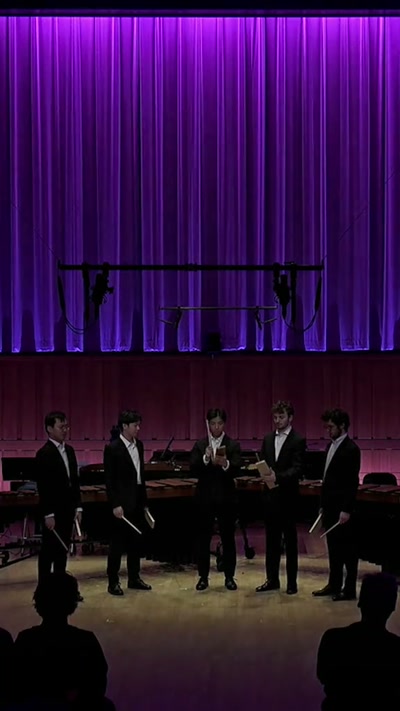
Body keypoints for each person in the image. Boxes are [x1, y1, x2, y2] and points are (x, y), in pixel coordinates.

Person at [12, 573, 113, 710]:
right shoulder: (86, 641)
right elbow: (98, 684)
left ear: (38, 601)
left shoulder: (25, 639)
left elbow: (15, 684)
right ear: (73, 602)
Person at [317, 572, 400, 709]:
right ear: (392, 607)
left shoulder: (333, 639)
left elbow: (323, 676)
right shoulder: (396, 649)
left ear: (360, 602)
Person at [256, 401, 306, 595]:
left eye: (281, 417)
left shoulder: (298, 440)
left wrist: (278, 477)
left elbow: (297, 469)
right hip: (270, 498)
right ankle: (272, 579)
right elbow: (264, 462)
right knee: (271, 542)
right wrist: (262, 471)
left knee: (291, 543)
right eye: (275, 417)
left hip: (288, 498)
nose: (277, 421)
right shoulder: (268, 439)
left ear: (290, 418)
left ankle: (291, 582)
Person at [190, 408, 242, 591]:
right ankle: (203, 577)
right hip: (205, 499)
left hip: (226, 499)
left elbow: (237, 468)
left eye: (219, 423)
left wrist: (225, 463)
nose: (216, 427)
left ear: (224, 424)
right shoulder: (200, 444)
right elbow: (193, 468)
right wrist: (205, 458)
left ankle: (229, 577)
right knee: (203, 539)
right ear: (208, 424)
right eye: (213, 423)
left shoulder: (233, 445)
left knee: (228, 539)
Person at [313, 408, 360, 601]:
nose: (327, 430)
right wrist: (323, 505)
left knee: (348, 551)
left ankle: (349, 590)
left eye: (331, 427)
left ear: (342, 426)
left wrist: (346, 510)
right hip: (330, 507)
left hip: (342, 510)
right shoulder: (329, 446)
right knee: (333, 550)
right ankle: (334, 584)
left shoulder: (351, 449)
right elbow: (327, 480)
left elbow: (352, 483)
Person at [104, 409, 153, 596]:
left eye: (139, 425)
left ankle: (134, 578)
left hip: (137, 500)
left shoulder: (139, 445)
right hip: (121, 504)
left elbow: (140, 476)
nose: (138, 429)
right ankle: (113, 582)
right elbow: (110, 481)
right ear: (124, 426)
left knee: (135, 542)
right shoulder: (112, 448)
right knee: (117, 545)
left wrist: (144, 503)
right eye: (135, 425)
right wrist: (115, 504)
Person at [35, 411, 83, 600]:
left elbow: (74, 482)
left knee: (62, 551)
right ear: (49, 429)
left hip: (68, 509)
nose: (65, 430)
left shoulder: (69, 451)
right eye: (61, 427)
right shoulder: (43, 454)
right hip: (53, 512)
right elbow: (44, 487)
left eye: (66, 426)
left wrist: (78, 507)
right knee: (48, 553)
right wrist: (48, 514)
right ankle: (44, 592)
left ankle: (62, 592)